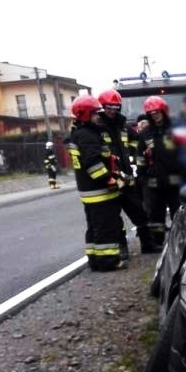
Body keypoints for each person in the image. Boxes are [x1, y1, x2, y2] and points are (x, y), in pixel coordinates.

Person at [97, 89, 160, 257]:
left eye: (115, 107)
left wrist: (136, 155)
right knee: (115, 219)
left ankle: (148, 245)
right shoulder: (96, 129)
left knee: (140, 213)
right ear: (102, 107)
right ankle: (122, 250)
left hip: (127, 179)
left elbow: (138, 142)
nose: (112, 111)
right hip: (109, 181)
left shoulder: (123, 127)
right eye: (109, 107)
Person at [65, 95, 124, 272]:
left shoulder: (79, 134)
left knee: (94, 228)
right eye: (94, 114)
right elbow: (93, 163)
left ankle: (95, 260)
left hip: (90, 193)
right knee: (106, 227)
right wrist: (109, 179)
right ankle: (108, 262)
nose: (98, 117)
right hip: (99, 191)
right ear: (84, 115)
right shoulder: (87, 135)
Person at [137, 95, 181, 245]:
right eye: (152, 113)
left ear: (163, 111)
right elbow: (140, 157)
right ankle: (157, 242)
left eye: (157, 112)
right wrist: (142, 175)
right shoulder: (145, 133)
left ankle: (179, 240)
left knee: (178, 212)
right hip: (153, 182)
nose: (155, 115)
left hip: (175, 180)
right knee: (155, 215)